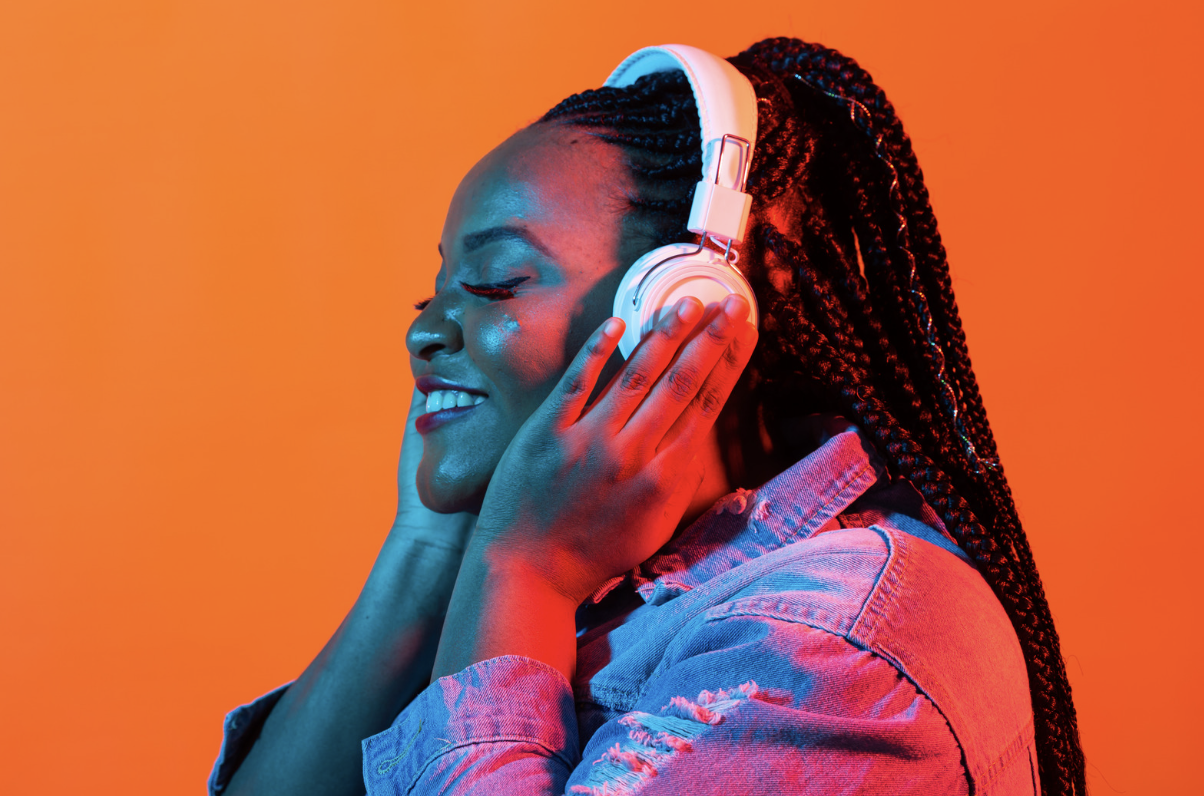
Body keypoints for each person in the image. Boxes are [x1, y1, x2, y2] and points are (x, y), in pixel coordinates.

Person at [210, 38, 1086, 796]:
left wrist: (522, 570)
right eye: (430, 293)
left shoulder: (824, 651)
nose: (425, 332)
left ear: (686, 308)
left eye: (492, 283)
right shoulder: (618, 562)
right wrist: (431, 543)